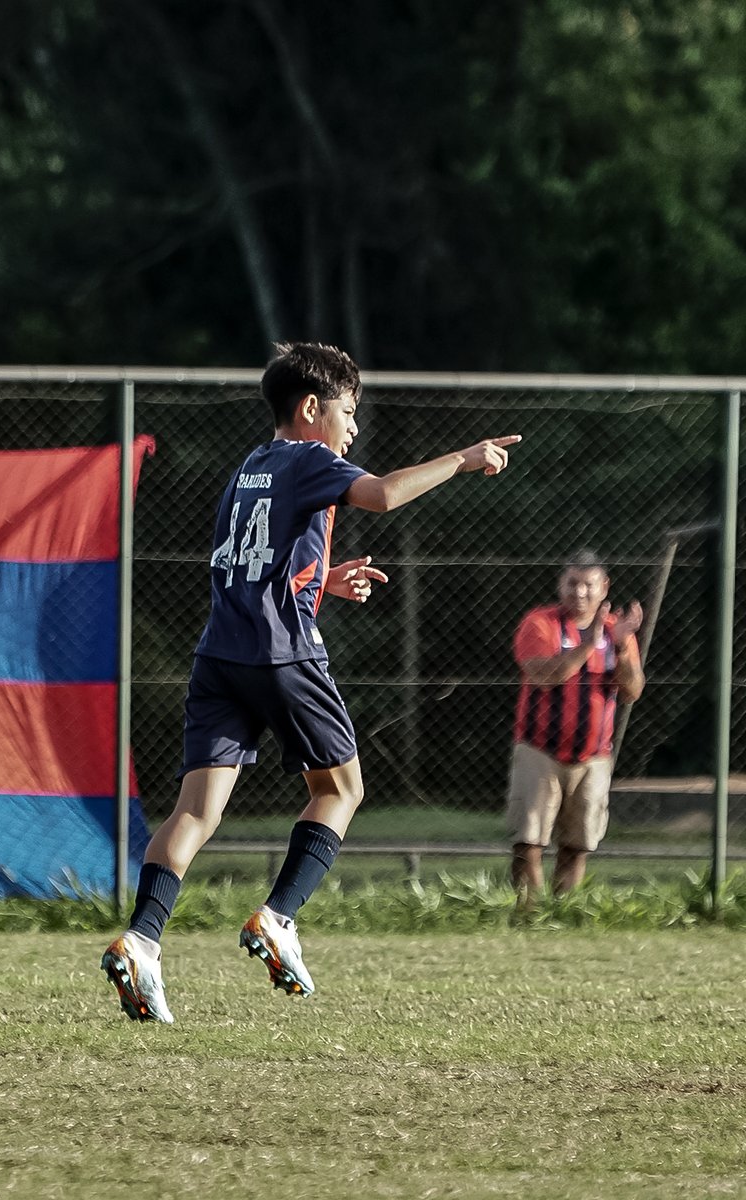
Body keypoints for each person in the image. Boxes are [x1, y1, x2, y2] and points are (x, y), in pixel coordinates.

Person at [102, 341, 521, 1022]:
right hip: (282, 655)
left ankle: (143, 942)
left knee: (196, 812)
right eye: (348, 412)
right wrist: (463, 458)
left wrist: (318, 582)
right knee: (342, 788)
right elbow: (381, 497)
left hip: (220, 656)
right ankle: (278, 917)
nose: (353, 428)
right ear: (310, 409)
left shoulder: (249, 469)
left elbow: (252, 567)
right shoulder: (310, 458)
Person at [507, 549, 645, 899]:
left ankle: (564, 913)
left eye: (588, 585)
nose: (579, 592)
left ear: (604, 587)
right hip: (540, 749)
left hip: (594, 755)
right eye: (572, 583)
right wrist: (589, 645)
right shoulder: (540, 623)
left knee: (578, 845)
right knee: (529, 842)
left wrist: (623, 649)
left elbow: (631, 690)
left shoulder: (618, 633)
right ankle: (528, 916)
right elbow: (544, 677)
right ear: (560, 583)